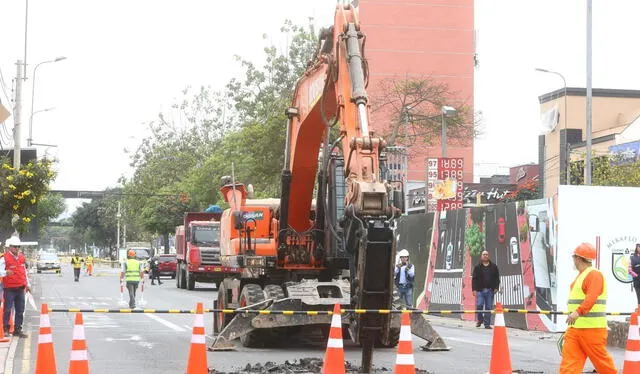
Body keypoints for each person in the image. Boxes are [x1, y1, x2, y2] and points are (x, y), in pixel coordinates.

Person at [559, 243, 617, 374]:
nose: (573, 260)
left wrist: (578, 312)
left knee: (603, 365)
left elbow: (591, 297)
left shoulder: (594, 275)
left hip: (592, 330)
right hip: (575, 329)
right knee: (569, 365)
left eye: (574, 257)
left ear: (578, 258)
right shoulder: (582, 275)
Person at [0, 235, 31, 338]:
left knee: (20, 310)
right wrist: (5, 272)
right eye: (15, 246)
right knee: (7, 309)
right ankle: (6, 329)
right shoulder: (4, 258)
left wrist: (28, 284)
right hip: (9, 289)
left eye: (18, 246)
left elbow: (24, 272)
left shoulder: (22, 257)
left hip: (20, 288)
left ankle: (18, 330)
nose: (17, 248)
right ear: (10, 247)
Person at [472, 249, 500, 329]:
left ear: (488, 256)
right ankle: (480, 320)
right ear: (481, 256)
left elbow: (497, 278)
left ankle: (487, 324)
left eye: (486, 254)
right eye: (484, 254)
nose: (485, 256)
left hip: (490, 290)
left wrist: (496, 288)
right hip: (480, 290)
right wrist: (474, 290)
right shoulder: (477, 267)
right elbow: (474, 279)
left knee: (488, 307)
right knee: (479, 305)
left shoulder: (494, 267)